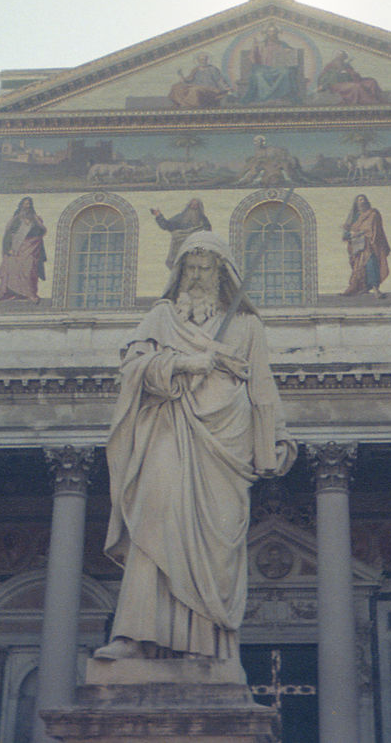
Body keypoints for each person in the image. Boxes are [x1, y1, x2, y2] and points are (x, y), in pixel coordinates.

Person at [95, 231, 295, 665]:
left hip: (226, 443)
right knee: (154, 526)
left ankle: (205, 646)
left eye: (207, 268)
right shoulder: (161, 318)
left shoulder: (246, 325)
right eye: (192, 267)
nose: (199, 275)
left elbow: (263, 387)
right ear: (180, 272)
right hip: (169, 429)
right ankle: (135, 636)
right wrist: (187, 362)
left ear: (222, 274)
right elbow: (132, 370)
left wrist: (276, 438)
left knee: (214, 546)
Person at [0, 196, 46, 302]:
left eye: (29, 204)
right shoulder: (16, 219)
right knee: (12, 270)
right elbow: (9, 234)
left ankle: (30, 293)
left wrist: (38, 224)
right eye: (25, 204)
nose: (27, 206)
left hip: (31, 248)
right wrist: (8, 249)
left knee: (29, 269)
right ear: (21, 206)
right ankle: (12, 293)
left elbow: (42, 231)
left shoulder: (35, 219)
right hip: (16, 249)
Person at [239, 24, 303, 104]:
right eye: (269, 32)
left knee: (285, 72)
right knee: (258, 75)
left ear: (277, 33)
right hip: (264, 68)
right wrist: (255, 50)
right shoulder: (260, 44)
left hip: (278, 68)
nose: (272, 34)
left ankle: (280, 96)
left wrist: (288, 52)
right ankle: (265, 97)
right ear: (266, 33)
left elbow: (292, 56)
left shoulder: (282, 44)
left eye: (274, 32)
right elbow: (252, 58)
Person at [341, 194, 390, 297]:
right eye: (359, 200)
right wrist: (350, 233)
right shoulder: (355, 216)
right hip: (357, 247)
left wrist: (361, 233)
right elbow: (347, 233)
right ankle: (363, 288)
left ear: (367, 201)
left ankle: (376, 289)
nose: (361, 202)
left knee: (371, 264)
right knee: (358, 268)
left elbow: (374, 229)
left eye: (363, 200)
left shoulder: (373, 214)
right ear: (356, 203)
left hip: (370, 245)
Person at [150, 197, 211, 268]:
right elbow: (166, 225)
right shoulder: (180, 218)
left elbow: (207, 235)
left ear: (199, 208)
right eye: (192, 205)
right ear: (188, 206)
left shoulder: (204, 221)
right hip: (179, 251)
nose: (193, 207)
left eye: (196, 206)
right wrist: (158, 215)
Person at [317, 51, 383, 105]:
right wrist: (339, 74)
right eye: (339, 57)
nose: (340, 59)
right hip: (337, 85)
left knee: (371, 82)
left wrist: (352, 74)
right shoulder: (329, 66)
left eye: (343, 57)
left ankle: (378, 100)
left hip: (351, 81)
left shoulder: (346, 65)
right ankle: (369, 101)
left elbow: (354, 75)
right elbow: (324, 79)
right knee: (356, 87)